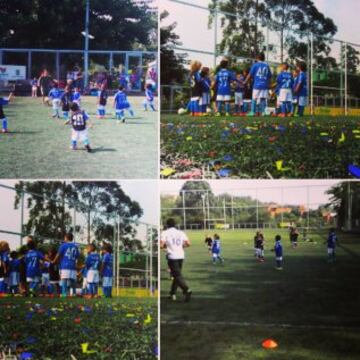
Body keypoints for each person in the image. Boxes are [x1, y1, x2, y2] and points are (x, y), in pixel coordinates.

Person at [160, 218, 192, 302]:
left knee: (177, 276)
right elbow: (188, 243)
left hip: (172, 256)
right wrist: (181, 247)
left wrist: (165, 248)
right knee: (176, 275)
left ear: (167, 225)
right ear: (175, 225)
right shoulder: (181, 232)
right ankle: (172, 293)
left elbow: (161, 245)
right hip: (181, 255)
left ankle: (187, 290)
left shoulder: (165, 233)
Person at [52, 233, 80, 297]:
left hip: (65, 265)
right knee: (72, 280)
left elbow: (58, 254)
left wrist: (54, 260)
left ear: (66, 238)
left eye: (64, 238)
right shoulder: (75, 246)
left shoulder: (63, 245)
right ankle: (74, 293)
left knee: (64, 280)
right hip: (72, 265)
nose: (64, 239)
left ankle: (64, 294)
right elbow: (77, 256)